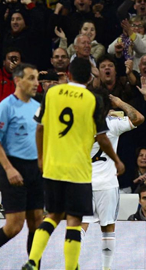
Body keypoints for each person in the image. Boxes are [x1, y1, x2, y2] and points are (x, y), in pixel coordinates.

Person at [22, 58, 125, 270]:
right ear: (89, 77)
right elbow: (102, 137)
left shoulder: (52, 93)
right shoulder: (92, 99)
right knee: (74, 221)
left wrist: (41, 158)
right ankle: (70, 267)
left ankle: (33, 259)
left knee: (52, 216)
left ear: (68, 74)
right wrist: (116, 160)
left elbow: (39, 128)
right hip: (78, 169)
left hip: (53, 166)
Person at [0, 64, 44, 270]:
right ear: (18, 81)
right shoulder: (5, 106)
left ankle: (34, 265)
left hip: (35, 168)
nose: (36, 83)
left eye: (37, 78)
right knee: (15, 225)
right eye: (31, 78)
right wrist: (8, 169)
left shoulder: (38, 106)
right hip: (14, 166)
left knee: (37, 222)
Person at [81, 93, 144, 270]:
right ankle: (106, 268)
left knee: (80, 227)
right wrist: (120, 102)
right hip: (107, 184)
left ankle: (72, 265)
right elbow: (139, 118)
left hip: (84, 183)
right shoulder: (112, 124)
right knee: (108, 228)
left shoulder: (78, 125)